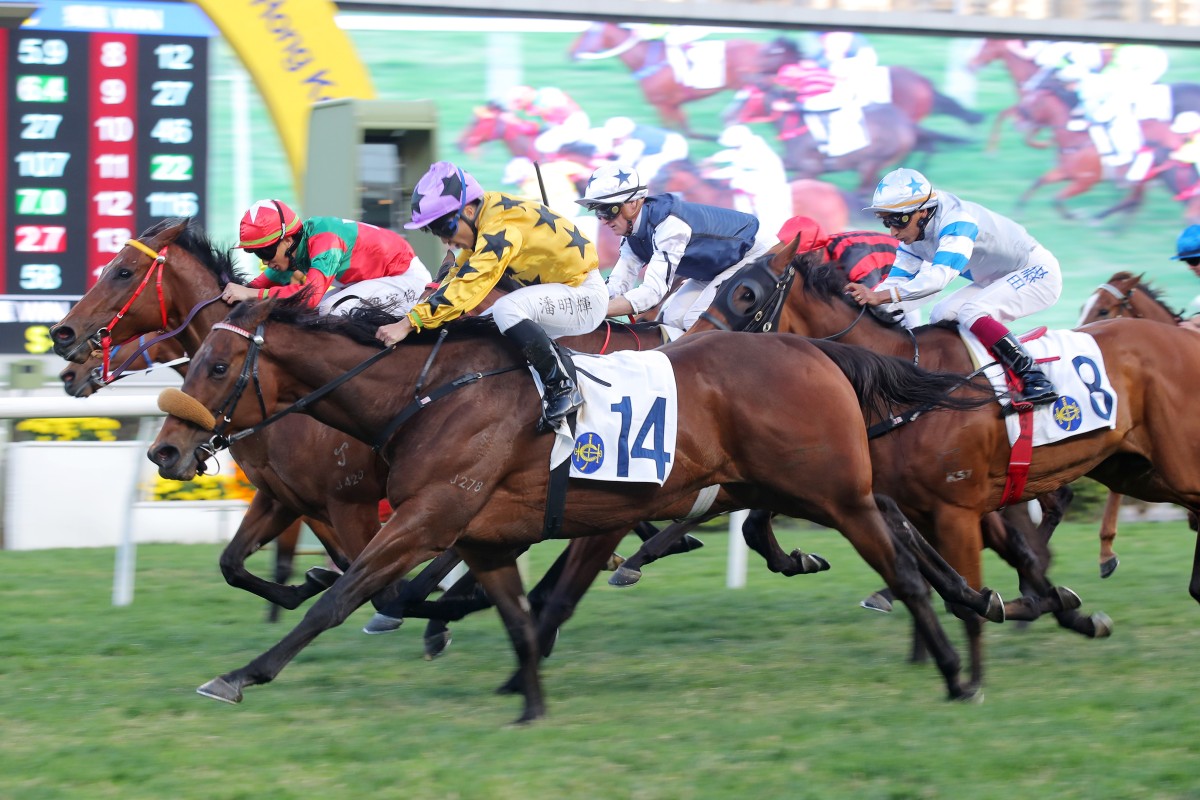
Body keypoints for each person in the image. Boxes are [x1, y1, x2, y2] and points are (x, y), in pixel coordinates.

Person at [375, 161, 607, 427]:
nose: (444, 241)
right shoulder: (488, 218)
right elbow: (458, 273)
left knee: (505, 310)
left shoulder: (501, 228)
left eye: (445, 229)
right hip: (562, 293)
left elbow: (470, 285)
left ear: (469, 210)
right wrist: (419, 312)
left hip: (583, 296)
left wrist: (409, 323)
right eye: (436, 232)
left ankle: (563, 388)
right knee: (482, 324)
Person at [845, 167, 1061, 405]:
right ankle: (963, 378)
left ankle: (1035, 378)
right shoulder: (912, 236)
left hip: (1036, 272)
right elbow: (897, 282)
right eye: (887, 222)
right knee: (941, 315)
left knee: (972, 311)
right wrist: (861, 310)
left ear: (923, 211)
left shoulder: (958, 221)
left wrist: (881, 297)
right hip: (996, 278)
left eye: (898, 221)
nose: (894, 232)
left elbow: (938, 279)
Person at [577, 162, 771, 334]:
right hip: (714, 267)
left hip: (751, 252)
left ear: (633, 203)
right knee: (672, 319)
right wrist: (581, 302)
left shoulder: (669, 225)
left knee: (694, 319)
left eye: (607, 210)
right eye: (597, 212)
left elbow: (653, 293)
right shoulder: (631, 235)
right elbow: (617, 285)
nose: (603, 221)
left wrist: (597, 310)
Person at [224, 199, 431, 316]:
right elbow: (254, 285)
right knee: (310, 316)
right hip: (378, 280)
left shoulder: (326, 240)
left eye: (265, 252)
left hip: (408, 282)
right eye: (257, 253)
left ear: (287, 240)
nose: (264, 261)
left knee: (329, 311)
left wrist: (250, 294)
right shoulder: (295, 247)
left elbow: (309, 298)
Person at [709, 125, 793, 238]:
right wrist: (711, 160)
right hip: (752, 182)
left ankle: (770, 233)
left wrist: (713, 174)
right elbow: (730, 155)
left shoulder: (755, 150)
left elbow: (737, 169)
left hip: (766, 185)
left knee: (765, 211)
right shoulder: (747, 146)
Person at [601, 116, 689, 185]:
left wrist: (600, 163)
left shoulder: (635, 142)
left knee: (642, 172)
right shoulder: (632, 132)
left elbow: (625, 164)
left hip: (673, 150)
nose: (615, 141)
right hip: (670, 140)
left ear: (624, 135)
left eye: (616, 139)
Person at [507, 85, 591, 156]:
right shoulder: (531, 106)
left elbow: (555, 109)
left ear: (527, 93)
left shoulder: (547, 93)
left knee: (542, 144)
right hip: (563, 124)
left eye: (519, 101)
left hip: (573, 122)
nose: (520, 104)